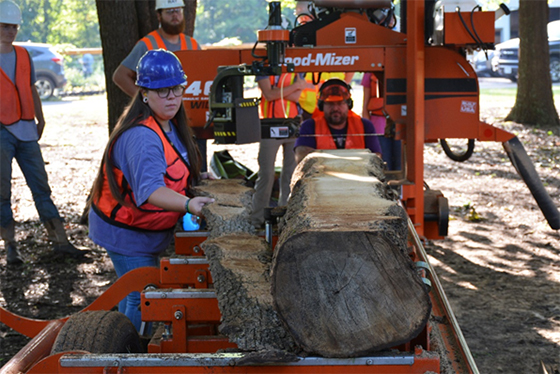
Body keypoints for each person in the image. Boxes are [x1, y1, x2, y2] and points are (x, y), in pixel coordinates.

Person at [89, 49, 214, 332]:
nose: (171, 97)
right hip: (127, 232)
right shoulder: (142, 136)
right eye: (161, 90)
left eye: (176, 89)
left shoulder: (169, 125)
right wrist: (189, 204)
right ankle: (126, 355)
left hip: (146, 228)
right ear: (144, 92)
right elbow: (151, 191)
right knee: (139, 296)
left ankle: (126, 343)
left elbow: (170, 168)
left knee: (137, 292)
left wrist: (197, 177)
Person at [0, 0, 86, 265]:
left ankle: (60, 242)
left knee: (41, 188)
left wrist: (40, 117)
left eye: (14, 27)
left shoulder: (24, 55)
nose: (10, 31)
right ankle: (11, 247)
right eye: (5, 26)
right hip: (1, 131)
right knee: (2, 192)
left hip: (27, 129)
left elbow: (32, 88)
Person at [112, 0, 208, 171]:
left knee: (195, 169)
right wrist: (148, 99)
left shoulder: (192, 45)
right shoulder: (147, 44)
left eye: (178, 10)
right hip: (161, 122)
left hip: (190, 121)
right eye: (169, 11)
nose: (175, 15)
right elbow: (120, 76)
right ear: (159, 15)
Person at [249, 73, 306, 228]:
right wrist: (294, 86)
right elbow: (268, 95)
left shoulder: (296, 69)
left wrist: (278, 91)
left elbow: (296, 98)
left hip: (292, 125)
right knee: (266, 174)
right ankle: (257, 219)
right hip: (269, 126)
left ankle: (285, 220)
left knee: (291, 175)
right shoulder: (264, 67)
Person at [294, 78, 382, 164]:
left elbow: (376, 158)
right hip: (320, 177)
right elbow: (302, 159)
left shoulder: (365, 125)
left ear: (349, 104)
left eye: (340, 103)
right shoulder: (309, 126)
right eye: (330, 104)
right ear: (321, 106)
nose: (335, 108)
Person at [362, 72, 401, 170]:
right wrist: (368, 132)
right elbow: (365, 106)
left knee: (401, 166)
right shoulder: (369, 73)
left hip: (401, 126)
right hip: (378, 129)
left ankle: (399, 186)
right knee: (383, 166)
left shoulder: (404, 69)